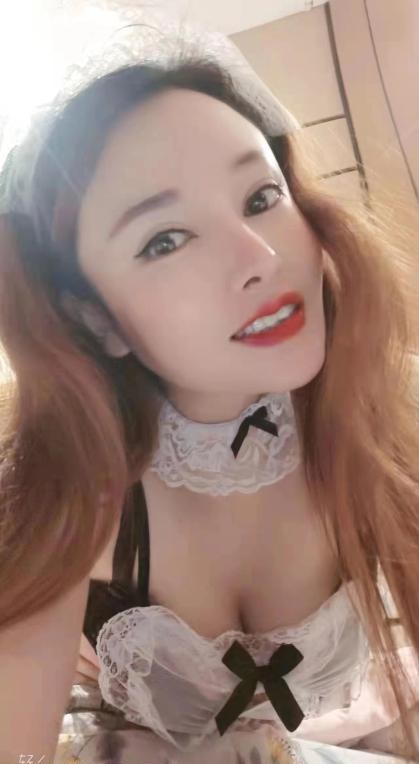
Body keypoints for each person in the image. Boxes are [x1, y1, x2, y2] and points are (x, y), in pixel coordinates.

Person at [0, 12, 418, 764]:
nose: (261, 257)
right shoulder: (64, 487)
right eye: (165, 239)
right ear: (95, 319)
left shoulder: (387, 409)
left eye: (260, 197)